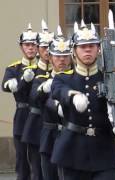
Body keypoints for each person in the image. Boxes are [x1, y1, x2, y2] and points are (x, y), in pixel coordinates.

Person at [51, 20, 115, 180]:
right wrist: (73, 95)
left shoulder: (111, 79)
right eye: (83, 47)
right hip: (72, 151)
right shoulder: (63, 78)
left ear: (98, 49)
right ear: (74, 50)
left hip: (104, 153)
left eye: (92, 46)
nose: (87, 50)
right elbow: (59, 91)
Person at [1, 23, 39, 180]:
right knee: (22, 160)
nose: (30, 48)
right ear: (21, 47)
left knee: (38, 160)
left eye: (33, 45)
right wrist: (11, 83)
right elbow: (5, 85)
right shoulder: (14, 68)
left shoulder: (44, 68)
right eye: (27, 45)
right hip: (22, 116)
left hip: (39, 116)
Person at [38, 26, 73, 180]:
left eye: (65, 56)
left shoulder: (76, 80)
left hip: (70, 135)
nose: (61, 60)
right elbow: (36, 98)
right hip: (50, 136)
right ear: (50, 57)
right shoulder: (41, 79)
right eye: (58, 56)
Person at [21, 20, 54, 180]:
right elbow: (25, 95)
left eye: (50, 47)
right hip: (36, 124)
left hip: (56, 125)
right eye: (44, 47)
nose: (47, 51)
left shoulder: (65, 71)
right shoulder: (31, 72)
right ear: (38, 49)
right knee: (37, 171)